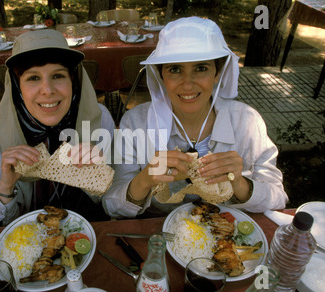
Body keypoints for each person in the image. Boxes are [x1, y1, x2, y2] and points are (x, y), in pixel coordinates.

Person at [103, 17, 288, 219]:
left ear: (218, 73)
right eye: (175, 69)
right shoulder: (135, 123)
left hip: (227, 236)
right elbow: (112, 207)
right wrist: (145, 179)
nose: (188, 84)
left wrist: (240, 183)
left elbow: (278, 198)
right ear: (160, 76)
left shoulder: (247, 121)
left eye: (201, 68)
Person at [0, 29, 115, 227]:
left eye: (58, 75)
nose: (47, 90)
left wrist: (96, 178)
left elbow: (116, 204)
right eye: (33, 78)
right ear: (16, 85)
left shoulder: (100, 120)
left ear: (74, 80)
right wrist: (5, 186)